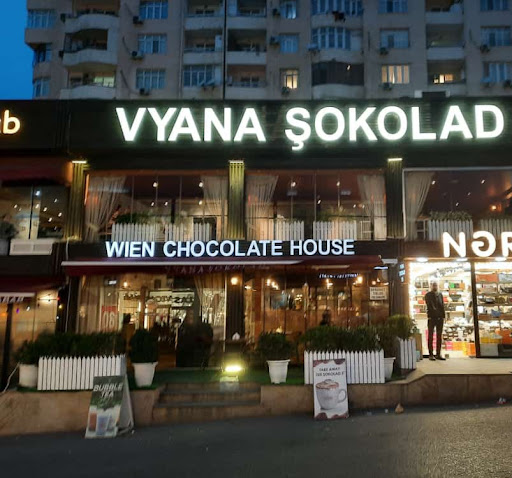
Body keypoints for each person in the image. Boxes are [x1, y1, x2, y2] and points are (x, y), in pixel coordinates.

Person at [425, 282, 446, 361]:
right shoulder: (428, 295)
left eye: (436, 285)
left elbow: (442, 305)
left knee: (439, 336)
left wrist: (443, 316)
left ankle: (438, 353)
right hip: (432, 317)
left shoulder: (440, 295)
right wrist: (432, 315)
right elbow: (430, 305)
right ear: (431, 286)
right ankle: (431, 354)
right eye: (433, 285)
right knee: (430, 336)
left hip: (440, 318)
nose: (435, 287)